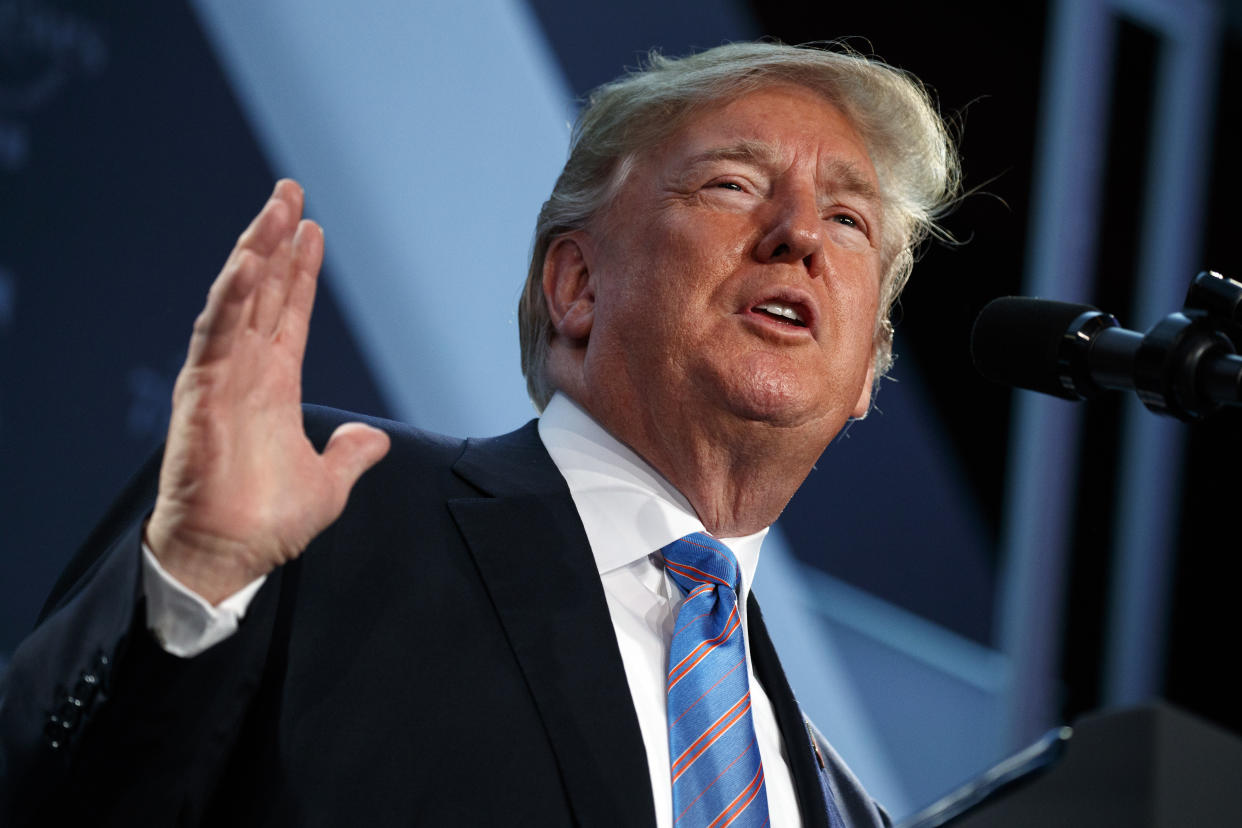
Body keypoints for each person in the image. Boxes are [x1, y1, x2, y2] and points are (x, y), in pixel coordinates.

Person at [0, 41, 958, 826]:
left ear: (868, 371)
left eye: (848, 219)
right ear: (576, 286)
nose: (798, 234)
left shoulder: (845, 810)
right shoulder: (331, 513)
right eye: (733, 184)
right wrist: (194, 581)